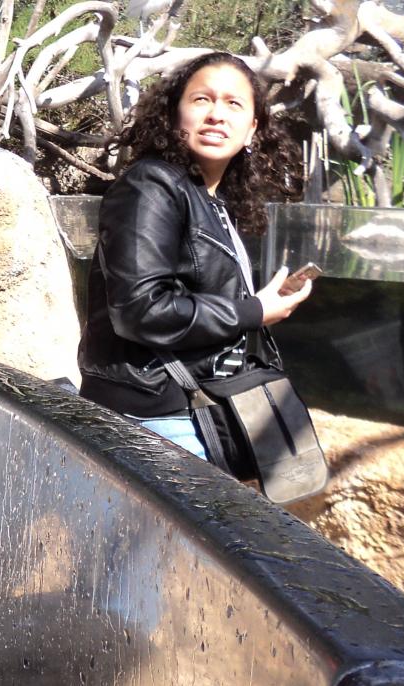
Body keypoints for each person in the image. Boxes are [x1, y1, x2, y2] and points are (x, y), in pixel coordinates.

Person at [78, 52, 313, 462]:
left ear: (253, 129)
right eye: (202, 99)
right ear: (174, 115)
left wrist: (259, 303)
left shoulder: (212, 198)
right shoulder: (150, 185)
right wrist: (253, 311)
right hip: (154, 417)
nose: (216, 115)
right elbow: (140, 310)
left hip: (197, 405)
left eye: (234, 103)